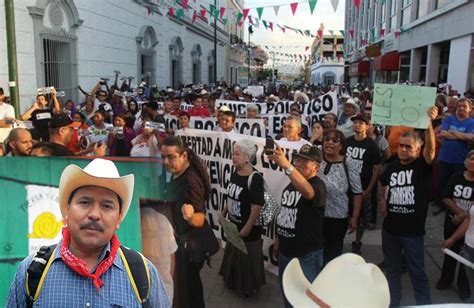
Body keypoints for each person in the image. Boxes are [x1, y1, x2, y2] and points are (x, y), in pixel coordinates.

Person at [7, 158, 171, 307]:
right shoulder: (31, 272)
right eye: (85, 202)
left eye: (107, 206)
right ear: (67, 210)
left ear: (119, 218)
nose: (94, 214)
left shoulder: (143, 273)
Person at [378, 106, 438, 306]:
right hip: (390, 231)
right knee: (392, 272)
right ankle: (393, 304)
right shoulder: (392, 166)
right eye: (401, 145)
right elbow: (382, 182)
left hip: (412, 234)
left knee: (417, 273)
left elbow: (431, 151)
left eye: (408, 147)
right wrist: (382, 201)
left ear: (417, 149)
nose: (403, 149)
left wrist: (429, 125)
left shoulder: (422, 165)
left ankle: (424, 305)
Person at [269, 144, 327, 308]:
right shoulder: (292, 184)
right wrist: (279, 240)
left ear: (316, 167)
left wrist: (287, 166)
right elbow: (285, 213)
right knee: (287, 295)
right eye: (298, 159)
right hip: (286, 253)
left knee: (305, 301)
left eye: (305, 161)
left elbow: (308, 193)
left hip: (306, 255)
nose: (299, 163)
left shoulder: (318, 185)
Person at [161, 136, 211, 308]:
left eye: (171, 157)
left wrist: (190, 217)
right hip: (181, 243)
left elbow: (200, 218)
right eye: (163, 157)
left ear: (184, 156)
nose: (166, 162)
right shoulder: (176, 173)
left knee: (190, 294)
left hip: (189, 248)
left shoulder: (191, 181)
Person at [219, 140, 266, 297]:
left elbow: (257, 206)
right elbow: (231, 195)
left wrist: (248, 227)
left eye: (237, 154)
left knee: (247, 259)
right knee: (235, 254)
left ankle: (248, 288)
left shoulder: (255, 178)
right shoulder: (235, 172)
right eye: (233, 153)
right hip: (234, 226)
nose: (233, 157)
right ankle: (233, 281)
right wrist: (224, 212)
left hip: (248, 231)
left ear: (248, 157)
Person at [318, 128, 362, 265]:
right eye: (327, 139)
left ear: (342, 145)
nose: (329, 143)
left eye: (335, 140)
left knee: (331, 257)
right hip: (316, 216)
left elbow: (357, 193)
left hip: (337, 219)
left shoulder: (349, 163)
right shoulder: (317, 160)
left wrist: (354, 218)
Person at [346, 113, 382, 255]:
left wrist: (369, 189)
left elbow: (377, 169)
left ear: (367, 126)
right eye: (355, 122)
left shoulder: (372, 145)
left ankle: (357, 241)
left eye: (361, 123)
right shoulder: (347, 141)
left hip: (362, 187)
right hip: (346, 186)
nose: (357, 125)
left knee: (360, 219)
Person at [442, 150, 474, 303]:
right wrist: (459, 213)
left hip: (468, 226)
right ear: (465, 161)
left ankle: (464, 287)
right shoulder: (456, 177)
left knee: (465, 258)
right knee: (450, 251)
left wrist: (462, 216)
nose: (473, 162)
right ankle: (445, 280)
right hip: (451, 222)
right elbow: (446, 197)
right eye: (471, 159)